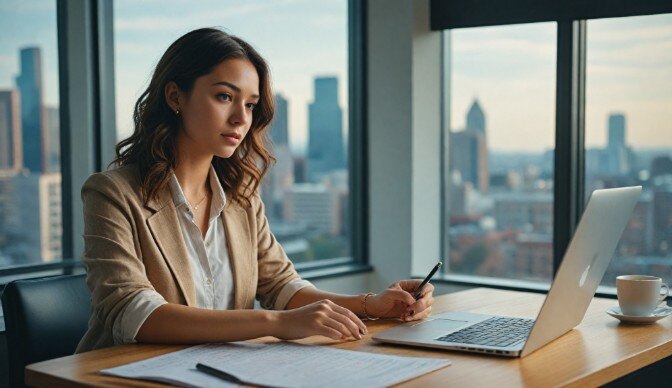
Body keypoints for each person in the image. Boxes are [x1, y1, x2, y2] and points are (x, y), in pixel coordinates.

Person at [76, 27, 434, 353]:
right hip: (122, 374)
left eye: (249, 104)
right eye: (223, 97)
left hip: (221, 372)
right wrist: (276, 324)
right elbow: (134, 313)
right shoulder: (112, 194)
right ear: (175, 97)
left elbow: (281, 287)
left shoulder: (240, 197)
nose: (241, 118)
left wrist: (373, 304)